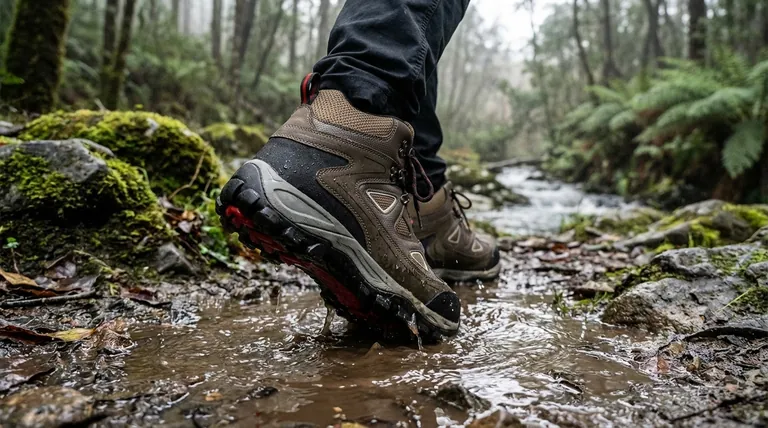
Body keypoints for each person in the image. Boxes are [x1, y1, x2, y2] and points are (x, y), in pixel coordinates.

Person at [216, 0, 500, 339]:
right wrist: (366, 85)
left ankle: (425, 205)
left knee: (420, 47)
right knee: (379, 73)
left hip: (405, 157)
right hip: (354, 116)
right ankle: (353, 125)